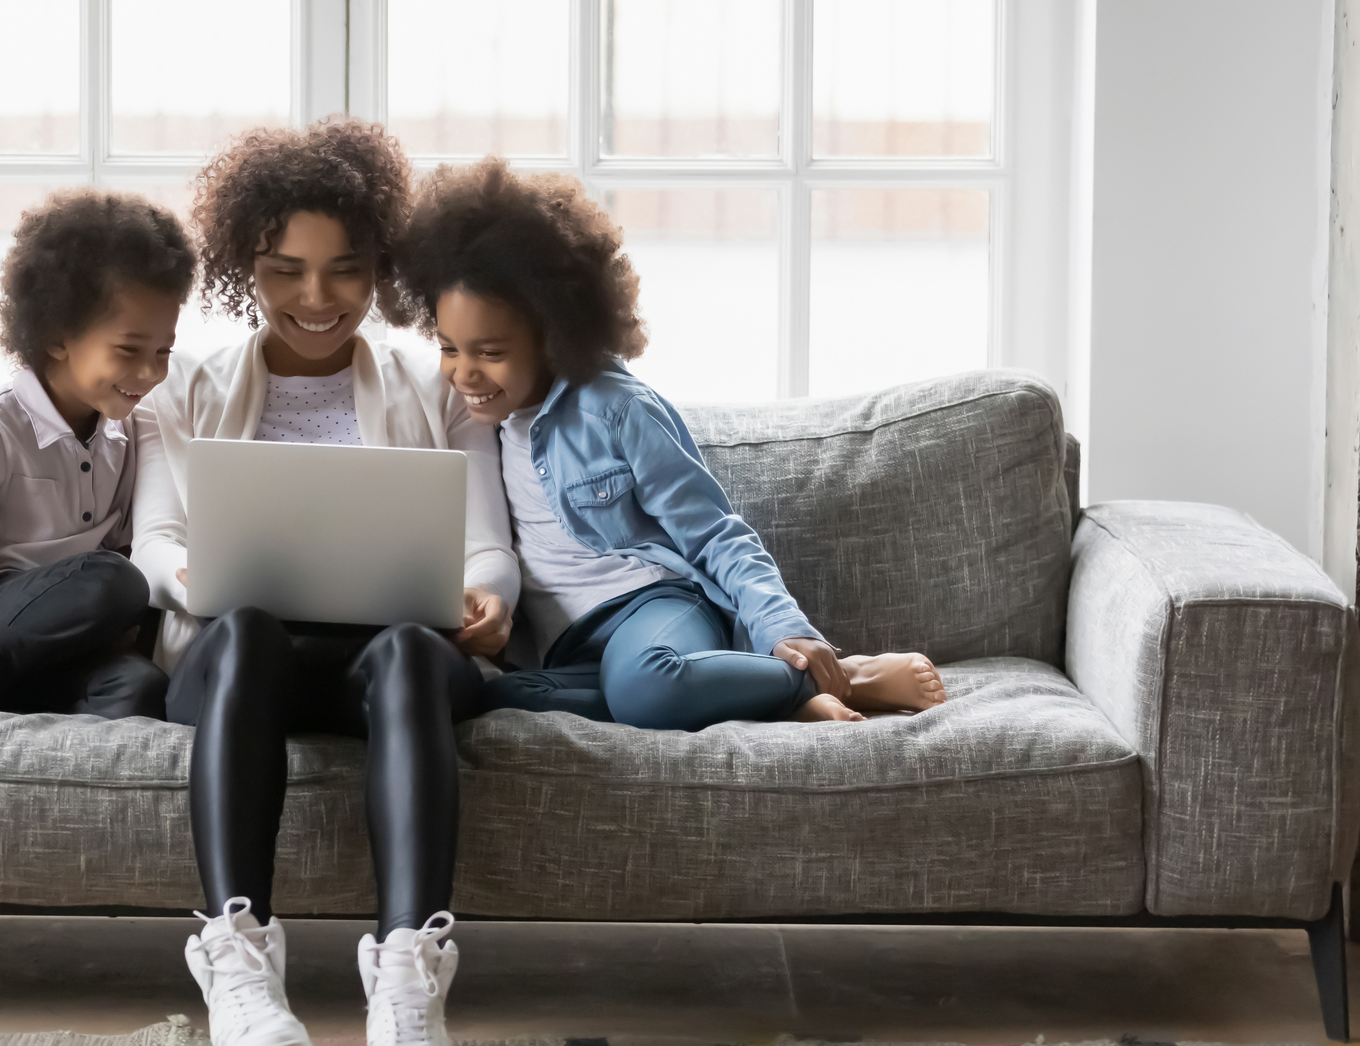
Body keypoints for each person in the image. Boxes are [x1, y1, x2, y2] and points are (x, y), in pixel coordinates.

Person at [130, 119, 519, 1046]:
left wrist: (490, 598)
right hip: (241, 661)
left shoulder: (438, 384)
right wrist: (199, 573)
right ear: (240, 268)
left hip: (387, 668)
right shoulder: (183, 389)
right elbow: (152, 544)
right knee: (249, 623)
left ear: (383, 269)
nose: (316, 299)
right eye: (284, 270)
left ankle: (405, 983)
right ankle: (239, 963)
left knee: (401, 647)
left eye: (345, 272)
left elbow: (485, 545)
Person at [396, 157, 948, 729]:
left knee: (643, 684)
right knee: (490, 702)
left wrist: (786, 627)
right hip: (571, 649)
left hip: (653, 608)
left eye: (490, 353)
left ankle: (839, 678)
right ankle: (752, 695)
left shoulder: (617, 408)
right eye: (448, 347)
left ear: (554, 331)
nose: (463, 374)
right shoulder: (474, 421)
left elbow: (715, 533)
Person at [0, 189, 191, 720]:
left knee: (143, 688)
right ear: (58, 337)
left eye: (164, 352)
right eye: (129, 350)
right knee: (115, 581)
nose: (151, 373)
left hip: (67, 645)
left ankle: (10, 692)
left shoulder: (129, 437)